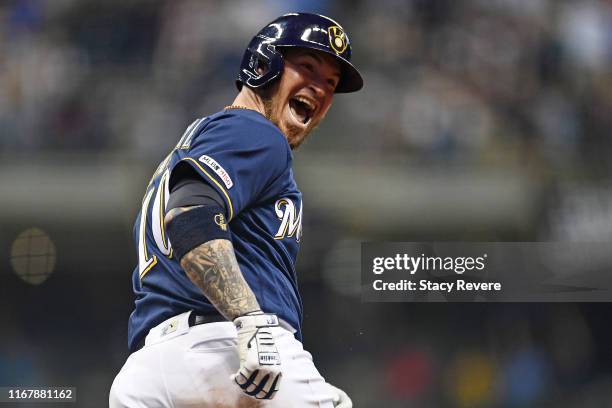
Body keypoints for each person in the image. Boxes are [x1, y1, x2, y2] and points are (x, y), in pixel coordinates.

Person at [109, 12, 363, 407]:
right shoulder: (255, 132)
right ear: (264, 66)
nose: (320, 88)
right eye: (308, 68)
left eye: (330, 83)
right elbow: (192, 215)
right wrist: (250, 321)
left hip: (148, 374)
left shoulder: (198, 143)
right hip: (227, 352)